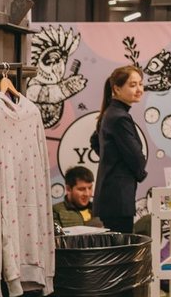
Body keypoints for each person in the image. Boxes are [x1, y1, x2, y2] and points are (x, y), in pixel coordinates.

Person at [90, 65, 147, 235]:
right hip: (118, 198)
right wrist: (139, 172)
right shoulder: (119, 117)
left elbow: (94, 141)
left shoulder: (111, 113)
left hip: (112, 195)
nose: (139, 89)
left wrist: (111, 160)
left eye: (140, 84)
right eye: (132, 85)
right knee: (121, 252)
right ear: (116, 88)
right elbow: (136, 156)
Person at [51, 165, 102, 229]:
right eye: (81, 189)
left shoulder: (99, 210)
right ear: (68, 189)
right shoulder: (56, 211)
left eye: (90, 188)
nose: (87, 193)